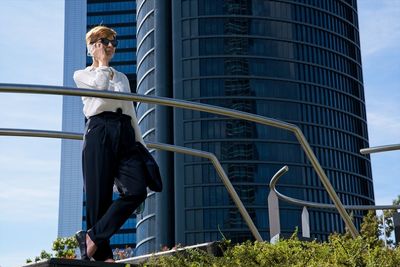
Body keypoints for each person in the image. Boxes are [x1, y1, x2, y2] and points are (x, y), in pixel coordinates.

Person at [73, 25, 148, 262]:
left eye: (114, 43)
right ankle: (102, 254)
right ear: (92, 46)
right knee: (99, 197)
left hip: (125, 132)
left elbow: (130, 111)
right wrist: (103, 65)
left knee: (136, 190)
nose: (110, 47)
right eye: (105, 42)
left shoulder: (123, 77)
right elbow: (101, 93)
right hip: (99, 131)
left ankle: (92, 237)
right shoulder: (82, 75)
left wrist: (140, 142)